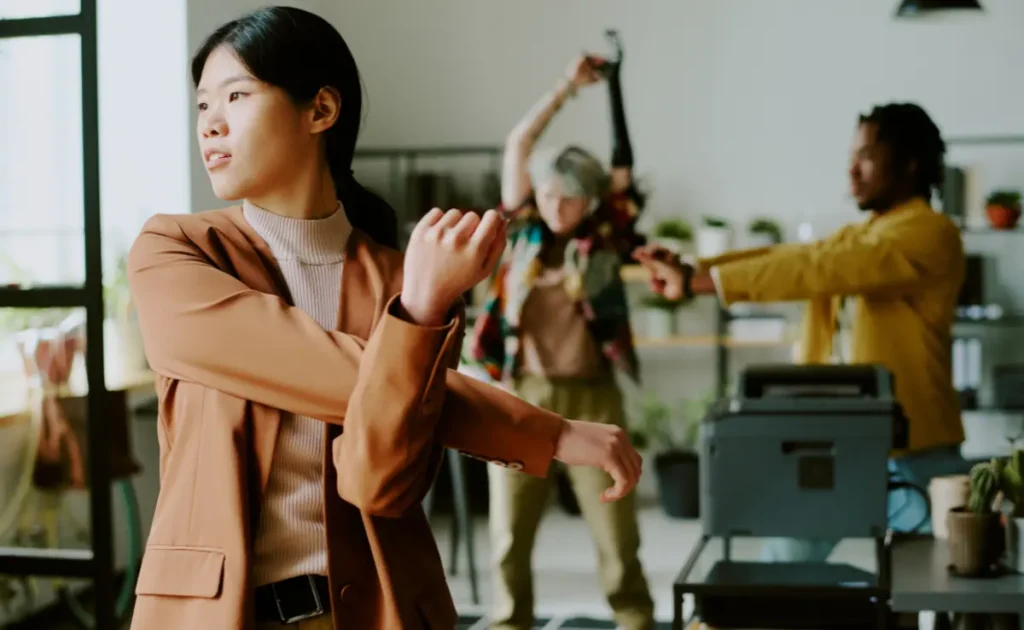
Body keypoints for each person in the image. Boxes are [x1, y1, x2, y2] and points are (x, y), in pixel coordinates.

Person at [126, 7, 643, 630]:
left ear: (321, 110)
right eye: (202, 104)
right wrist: (543, 431)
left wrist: (422, 312)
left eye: (236, 95)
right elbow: (335, 370)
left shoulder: (406, 281)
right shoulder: (173, 251)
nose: (210, 123)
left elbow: (380, 484)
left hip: (373, 612)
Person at [633, 102, 968, 564]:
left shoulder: (932, 233)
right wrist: (695, 270)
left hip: (918, 450)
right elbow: (798, 256)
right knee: (786, 565)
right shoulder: (865, 233)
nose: (851, 170)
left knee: (919, 585)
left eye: (867, 156)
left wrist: (698, 280)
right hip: (849, 439)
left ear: (910, 161)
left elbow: (820, 269)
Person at [462, 38, 655, 630]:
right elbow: (520, 143)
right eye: (546, 192)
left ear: (587, 198)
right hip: (522, 394)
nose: (553, 203)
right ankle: (508, 622)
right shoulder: (521, 231)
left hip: (594, 395)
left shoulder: (606, 231)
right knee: (509, 537)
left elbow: (624, 158)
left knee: (616, 536)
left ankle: (636, 621)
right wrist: (567, 88)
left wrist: (617, 86)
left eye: (567, 196)